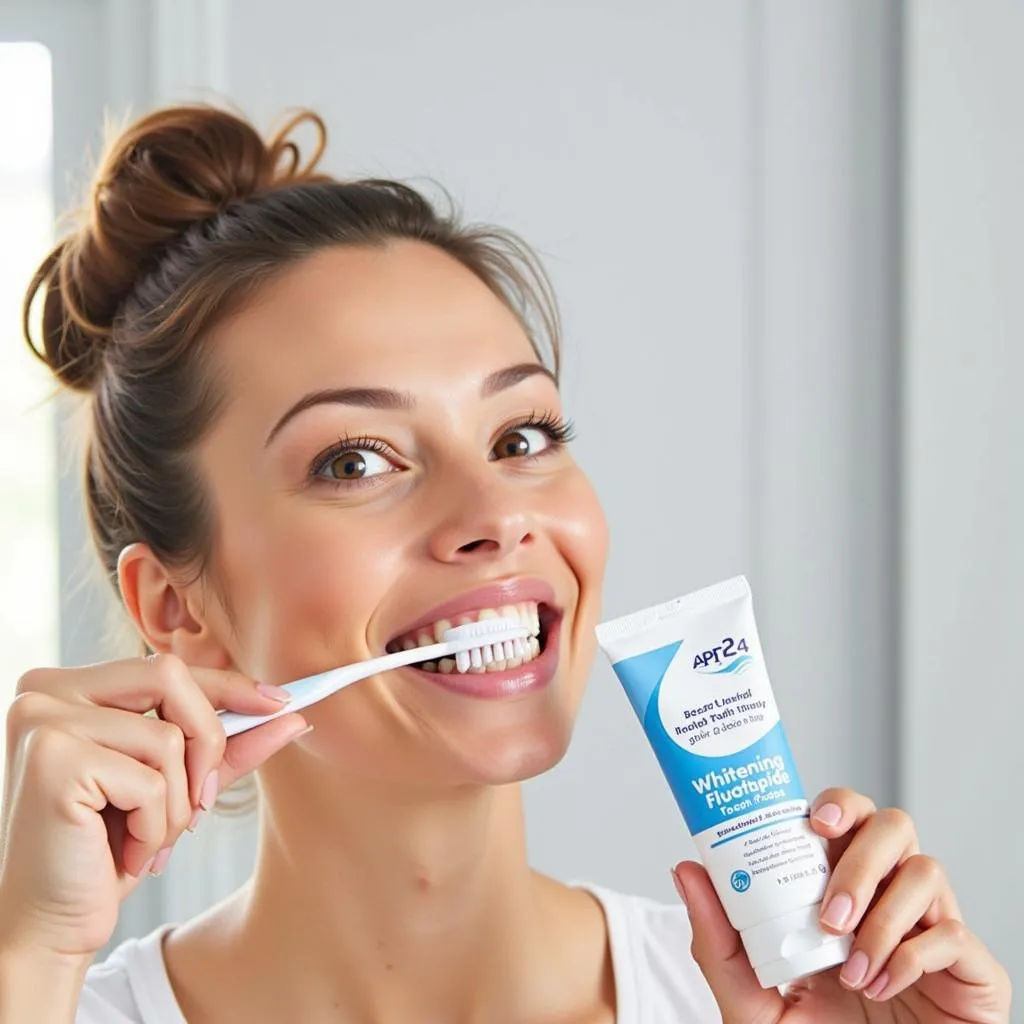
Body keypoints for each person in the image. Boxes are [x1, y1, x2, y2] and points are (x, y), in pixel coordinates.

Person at [0, 104, 1010, 1024]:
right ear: (176, 607)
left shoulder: (770, 1002)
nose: (494, 515)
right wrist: (27, 964)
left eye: (522, 435)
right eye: (356, 459)